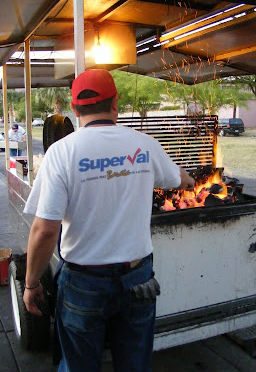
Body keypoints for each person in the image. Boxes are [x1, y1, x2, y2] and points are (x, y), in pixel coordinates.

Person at [23, 69, 195, 372]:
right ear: (115, 103)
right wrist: (191, 181)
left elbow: (45, 230)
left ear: (75, 110)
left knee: (79, 366)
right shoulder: (144, 145)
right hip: (138, 280)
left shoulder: (61, 153)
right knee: (135, 365)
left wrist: (31, 282)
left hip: (82, 282)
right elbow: (178, 179)